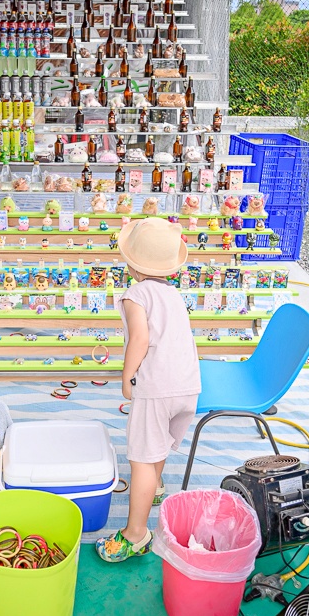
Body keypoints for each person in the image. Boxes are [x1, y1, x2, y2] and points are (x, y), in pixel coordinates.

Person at [96, 218, 201, 563]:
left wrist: (127, 377)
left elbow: (140, 339)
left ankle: (136, 533)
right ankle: (155, 488)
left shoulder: (135, 294)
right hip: (187, 387)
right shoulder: (174, 294)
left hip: (156, 388)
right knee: (158, 443)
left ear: (130, 262)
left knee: (140, 456)